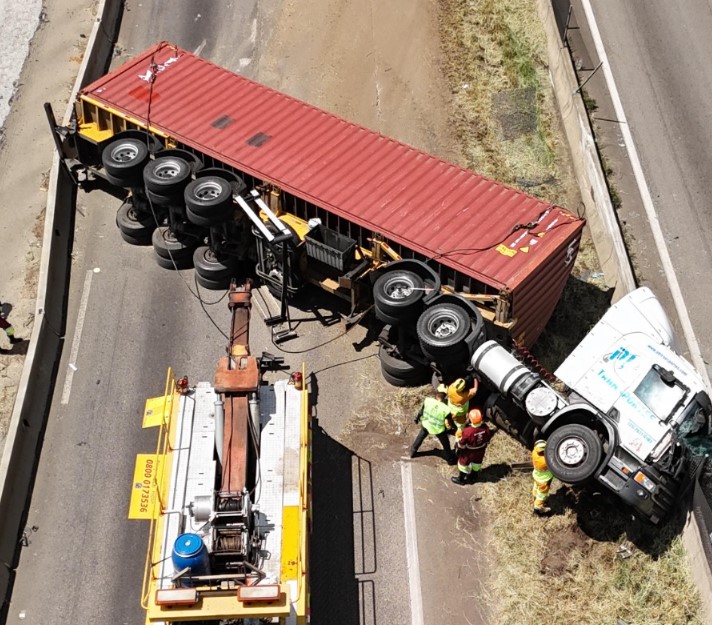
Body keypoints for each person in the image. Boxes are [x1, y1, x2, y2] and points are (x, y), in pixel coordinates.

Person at [410, 384, 457, 465]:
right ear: (445, 396)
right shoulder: (446, 409)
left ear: (436, 392)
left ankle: (412, 452)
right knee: (446, 444)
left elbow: (421, 411)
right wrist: (455, 429)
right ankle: (450, 459)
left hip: (426, 424)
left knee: (420, 438)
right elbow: (450, 422)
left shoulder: (428, 400)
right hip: (438, 429)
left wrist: (417, 418)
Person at [451, 408, 495, 485]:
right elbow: (488, 437)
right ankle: (473, 478)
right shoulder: (486, 428)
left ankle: (461, 479)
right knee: (477, 463)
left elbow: (461, 444)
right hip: (480, 451)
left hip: (469, 452)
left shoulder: (468, 431)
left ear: (471, 420)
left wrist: (458, 444)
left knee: (463, 464)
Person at [531, 439, 554, 515]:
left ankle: (534, 496)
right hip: (544, 480)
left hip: (537, 475)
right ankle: (538, 506)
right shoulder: (545, 460)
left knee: (536, 487)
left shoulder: (534, 452)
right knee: (542, 494)